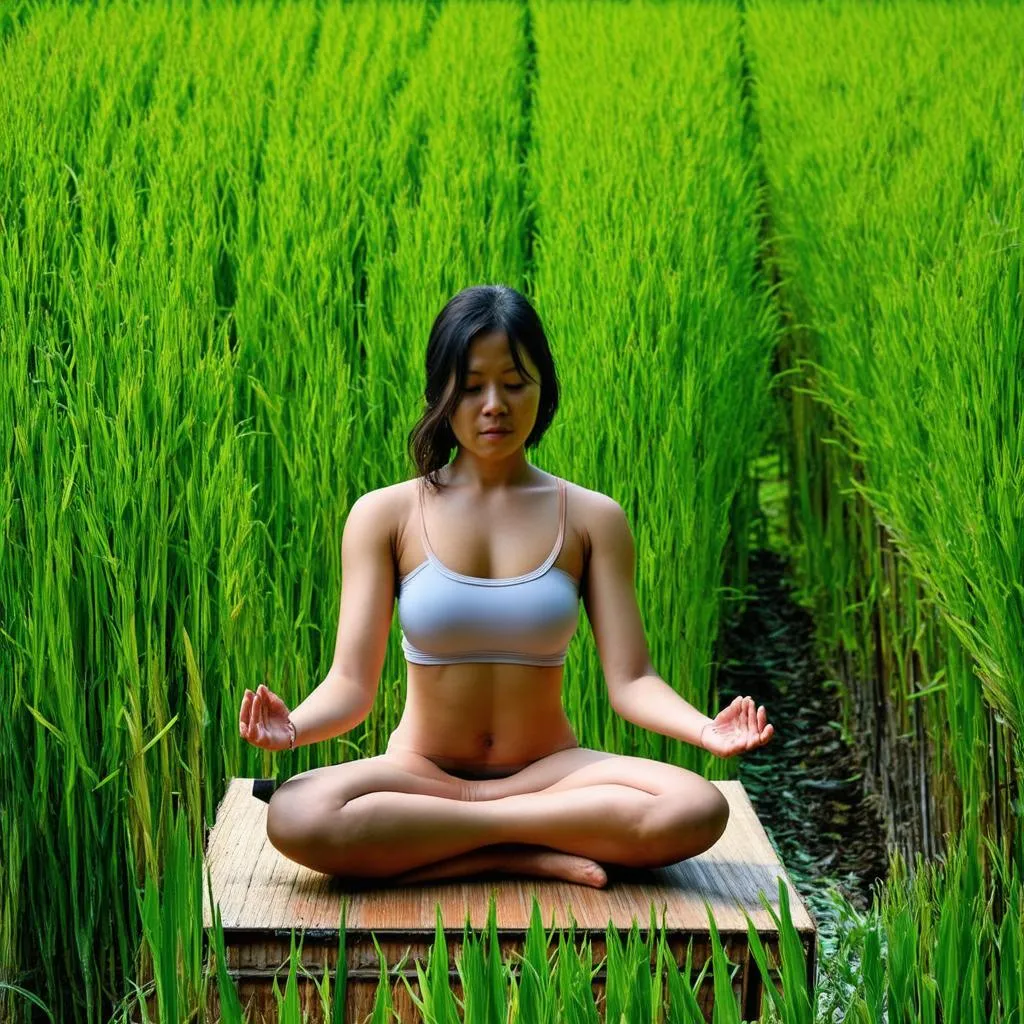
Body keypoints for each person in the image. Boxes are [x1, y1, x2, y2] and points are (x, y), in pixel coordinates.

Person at [238, 284, 774, 889]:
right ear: (440, 391)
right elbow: (350, 685)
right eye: (471, 386)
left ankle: (462, 847)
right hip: (420, 772)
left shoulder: (594, 518)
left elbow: (632, 681)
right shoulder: (384, 515)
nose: (494, 404)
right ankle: (523, 853)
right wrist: (296, 727)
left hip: (554, 773)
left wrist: (704, 728)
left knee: (698, 806)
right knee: (295, 813)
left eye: (514, 382)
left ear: (543, 388)